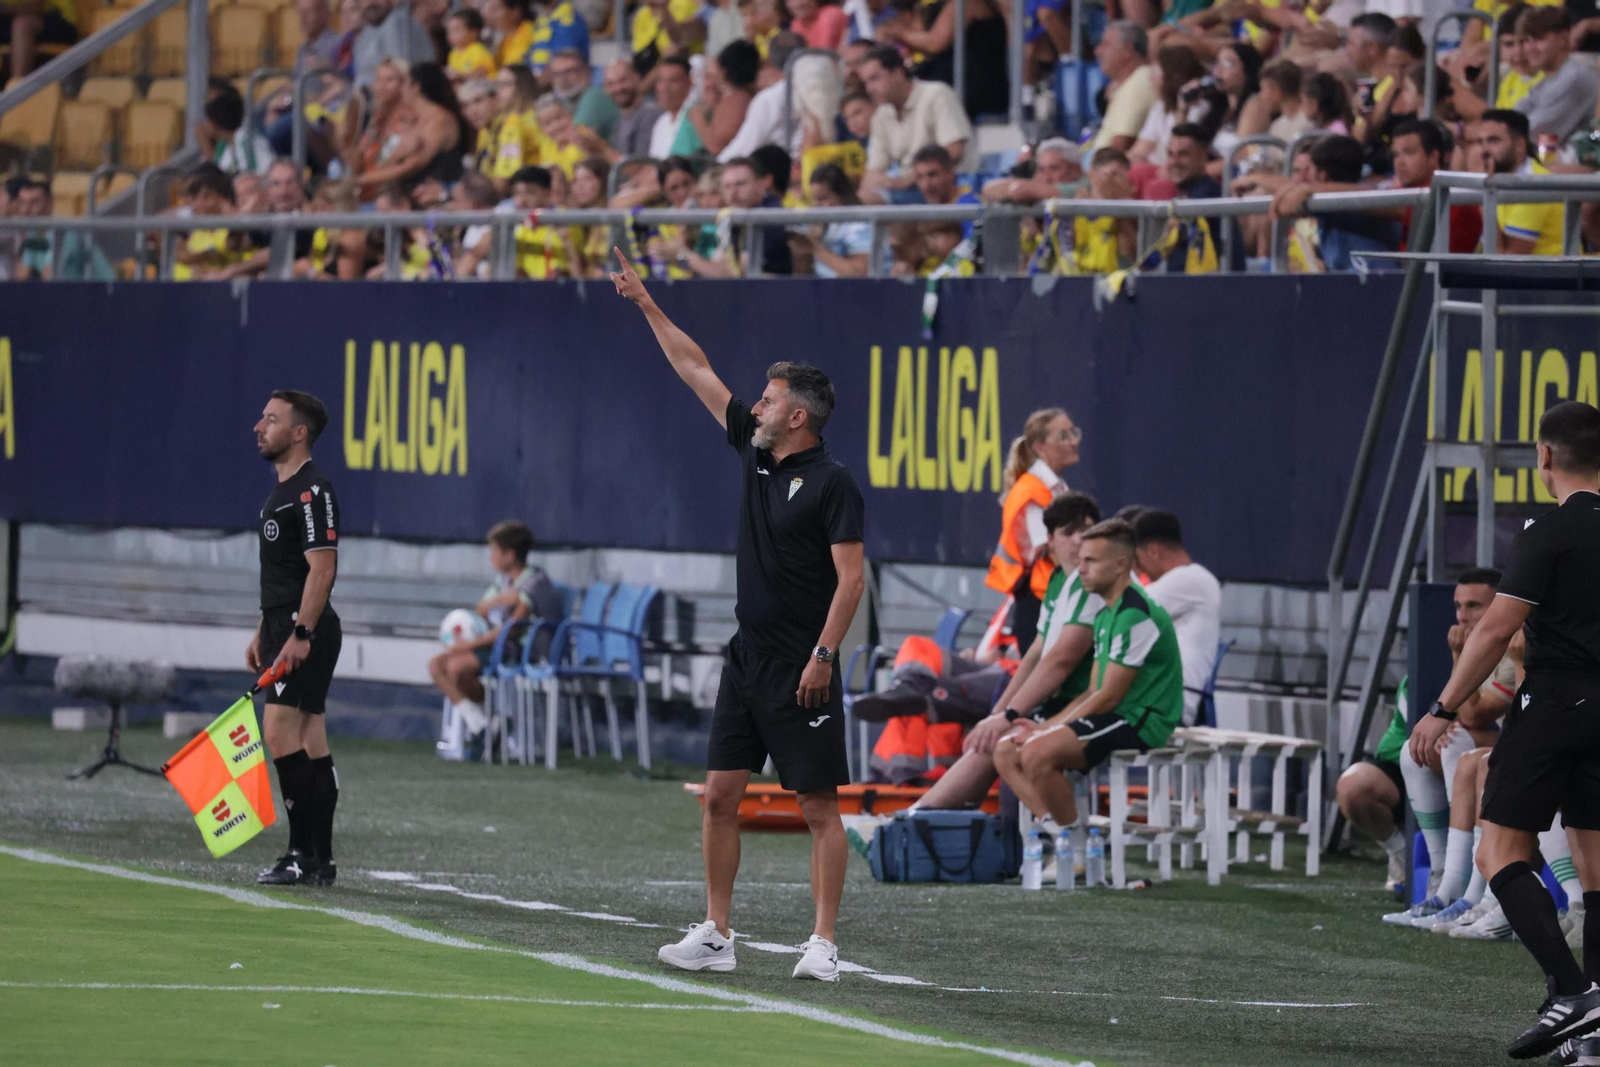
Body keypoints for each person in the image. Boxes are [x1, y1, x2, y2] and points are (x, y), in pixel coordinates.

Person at [610, 250, 865, 983]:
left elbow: (852, 580)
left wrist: (823, 656)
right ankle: (718, 934)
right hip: (747, 659)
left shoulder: (833, 484)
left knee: (817, 806)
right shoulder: (756, 456)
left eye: (767, 399)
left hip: (803, 665)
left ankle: (823, 943)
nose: (754, 406)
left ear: (796, 416)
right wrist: (647, 303)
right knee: (721, 797)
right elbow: (695, 369)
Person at [1410, 401, 1600, 1060]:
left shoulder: (1550, 531)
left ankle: (1573, 992)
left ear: (1545, 456)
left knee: (1499, 854)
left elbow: (1495, 628)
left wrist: (1442, 707)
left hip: (1554, 703)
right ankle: (1592, 1040)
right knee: (1596, 870)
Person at [917, 492, 1104, 810]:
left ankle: (918, 821)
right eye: (1069, 532)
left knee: (1006, 742)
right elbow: (1036, 655)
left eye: (1086, 531)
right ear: (1050, 540)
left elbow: (1060, 661)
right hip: (1064, 700)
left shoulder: (1094, 585)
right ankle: (921, 822)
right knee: (995, 737)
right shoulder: (1061, 580)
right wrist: (998, 715)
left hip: (1094, 704)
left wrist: (1008, 715)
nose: (1079, 540)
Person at [993, 518, 1184, 829]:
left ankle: (1074, 846)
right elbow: (1093, 690)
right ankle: (1060, 835)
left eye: (1091, 561)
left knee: (1036, 753)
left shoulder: (1134, 614)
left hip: (1141, 720)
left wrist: (1045, 731)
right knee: (1005, 750)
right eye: (1080, 560)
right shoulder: (1106, 612)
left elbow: (1108, 696)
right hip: (1113, 713)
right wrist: (1046, 727)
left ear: (1120, 565)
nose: (1080, 569)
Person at [249, 390, 343, 888]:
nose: (259, 427)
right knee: (309, 740)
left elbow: (322, 569)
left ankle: (299, 854)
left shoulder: (311, 491)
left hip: (303, 630)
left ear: (299, 432)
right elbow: (287, 573)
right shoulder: (284, 490)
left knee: (280, 734)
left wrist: (300, 633)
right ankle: (320, 859)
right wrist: (263, 630)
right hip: (284, 625)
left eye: (271, 419)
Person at [428, 521, 562, 752]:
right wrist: (498, 600)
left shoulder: (534, 582)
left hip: (518, 650)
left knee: (455, 668)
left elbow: (512, 628)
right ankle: (482, 724)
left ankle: (487, 726)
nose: (490, 557)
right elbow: (480, 610)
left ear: (510, 555)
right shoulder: (503, 582)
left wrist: (469, 644)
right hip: (493, 645)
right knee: (436, 665)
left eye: (494, 552)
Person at [985, 408, 1080, 654]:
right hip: (1039, 599)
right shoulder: (1031, 491)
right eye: (1063, 436)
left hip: (1052, 596)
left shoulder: (1055, 487)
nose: (1073, 441)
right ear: (1039, 447)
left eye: (1073, 432)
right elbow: (1053, 551)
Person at [1132, 510, 1219, 726]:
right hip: (1156, 698)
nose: (1140, 569)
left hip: (1166, 704)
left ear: (1154, 551)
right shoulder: (1188, 581)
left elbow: (1128, 611)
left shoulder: (1192, 579)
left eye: (1137, 560)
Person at [857, 45, 974, 202]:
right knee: (862, 198)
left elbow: (954, 151)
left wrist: (910, 179)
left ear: (898, 72)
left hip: (945, 187)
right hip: (904, 190)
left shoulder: (937, 94)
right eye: (866, 82)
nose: (869, 89)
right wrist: (881, 182)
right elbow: (874, 170)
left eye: (874, 79)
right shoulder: (880, 115)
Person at [1479, 108, 1563, 255]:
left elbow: (1507, 261)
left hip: (1550, 269)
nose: (1484, 151)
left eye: (1493, 141)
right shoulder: (1500, 179)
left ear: (1519, 146)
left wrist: (1484, 196)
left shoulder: (1534, 185)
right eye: (1481, 142)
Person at [1514, 6, 1600, 142]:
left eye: (1539, 38)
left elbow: (1533, 134)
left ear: (1563, 38)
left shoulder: (1574, 78)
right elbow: (1512, 118)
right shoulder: (1547, 80)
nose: (1530, 48)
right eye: (1526, 40)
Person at [1090, 21, 1155, 153]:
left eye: (1106, 44)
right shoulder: (1124, 84)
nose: (1097, 51)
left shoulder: (1141, 79)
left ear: (1127, 49)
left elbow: (1120, 145)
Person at [198, 84, 275, 176]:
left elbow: (268, 172)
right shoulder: (223, 146)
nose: (205, 125)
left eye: (207, 120)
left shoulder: (249, 141)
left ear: (213, 123)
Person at [647, 55, 694, 158]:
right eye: (660, 81)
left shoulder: (695, 118)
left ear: (689, 83)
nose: (665, 87)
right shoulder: (661, 122)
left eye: (673, 81)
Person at [446, 7, 497, 82]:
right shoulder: (453, 53)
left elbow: (480, 74)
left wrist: (459, 76)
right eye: (449, 31)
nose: (451, 35)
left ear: (474, 32)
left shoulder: (478, 50)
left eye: (456, 30)